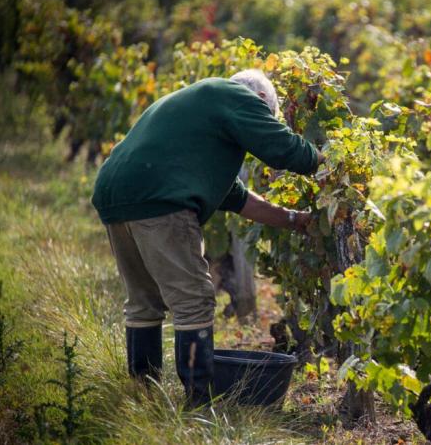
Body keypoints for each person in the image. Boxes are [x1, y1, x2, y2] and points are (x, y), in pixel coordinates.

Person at [91, 69, 323, 407]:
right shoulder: (238, 96)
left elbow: (238, 198)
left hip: (116, 193)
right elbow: (285, 150)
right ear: (260, 101)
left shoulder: (202, 110)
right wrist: (325, 161)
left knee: (143, 302)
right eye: (264, 115)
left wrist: (294, 220)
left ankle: (142, 394)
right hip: (161, 199)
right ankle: (198, 402)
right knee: (194, 301)